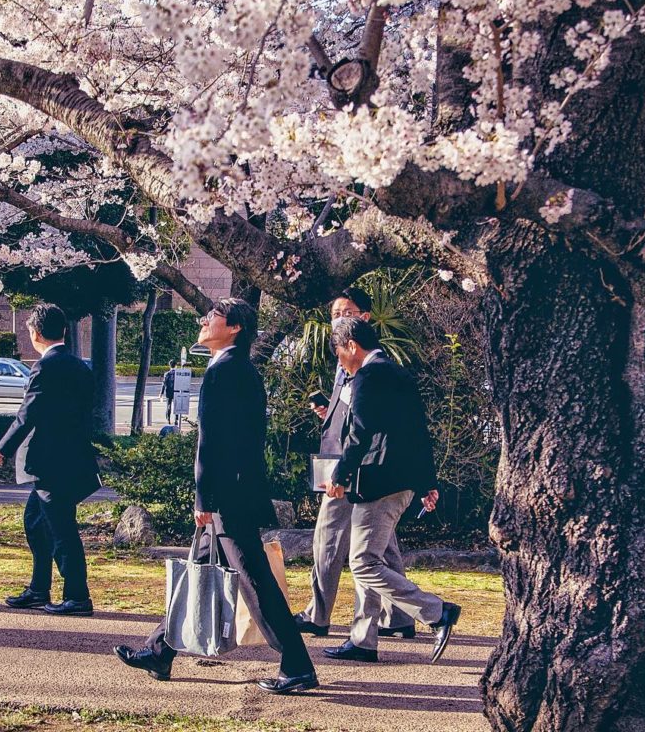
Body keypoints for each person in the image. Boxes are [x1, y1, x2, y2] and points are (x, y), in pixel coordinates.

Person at [114, 298, 318, 696]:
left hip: (229, 497)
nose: (204, 320)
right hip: (234, 493)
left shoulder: (227, 371)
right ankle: (160, 650)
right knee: (198, 568)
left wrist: (203, 497)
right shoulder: (235, 369)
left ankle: (297, 664)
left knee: (255, 579)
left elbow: (212, 444)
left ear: (236, 327)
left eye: (213, 316)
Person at [322, 317, 460, 664]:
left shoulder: (368, 376)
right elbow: (418, 432)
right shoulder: (399, 373)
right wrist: (428, 482)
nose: (339, 360)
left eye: (338, 352)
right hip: (401, 482)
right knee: (372, 557)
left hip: (379, 483)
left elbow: (360, 434)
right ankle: (362, 640)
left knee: (364, 563)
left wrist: (339, 475)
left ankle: (435, 611)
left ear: (351, 345)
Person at [295, 287, 417, 640]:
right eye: (334, 313)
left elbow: (366, 423)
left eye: (346, 311)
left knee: (328, 537)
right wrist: (329, 411)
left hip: (353, 468)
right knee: (381, 545)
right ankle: (399, 616)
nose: (337, 318)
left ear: (365, 317)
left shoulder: (370, 366)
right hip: (350, 463)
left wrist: (343, 468)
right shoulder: (343, 362)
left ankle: (318, 614)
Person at [0, 303, 100, 616]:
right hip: (70, 459)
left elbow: (29, 413)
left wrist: (3, 448)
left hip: (51, 463)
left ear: (36, 333)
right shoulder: (80, 366)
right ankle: (39, 589)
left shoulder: (45, 367)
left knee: (61, 529)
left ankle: (78, 596)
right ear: (63, 330)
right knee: (37, 524)